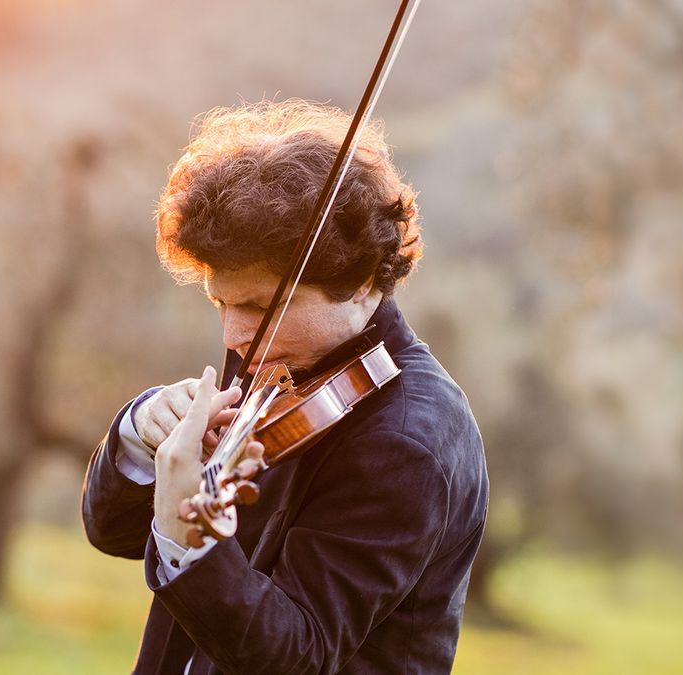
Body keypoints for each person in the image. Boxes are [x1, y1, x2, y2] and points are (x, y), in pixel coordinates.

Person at [81, 99, 488, 675]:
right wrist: (143, 435)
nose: (234, 334)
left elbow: (296, 654)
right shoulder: (274, 355)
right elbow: (117, 533)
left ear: (363, 283)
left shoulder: (407, 440)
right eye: (220, 302)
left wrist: (191, 539)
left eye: (258, 306)